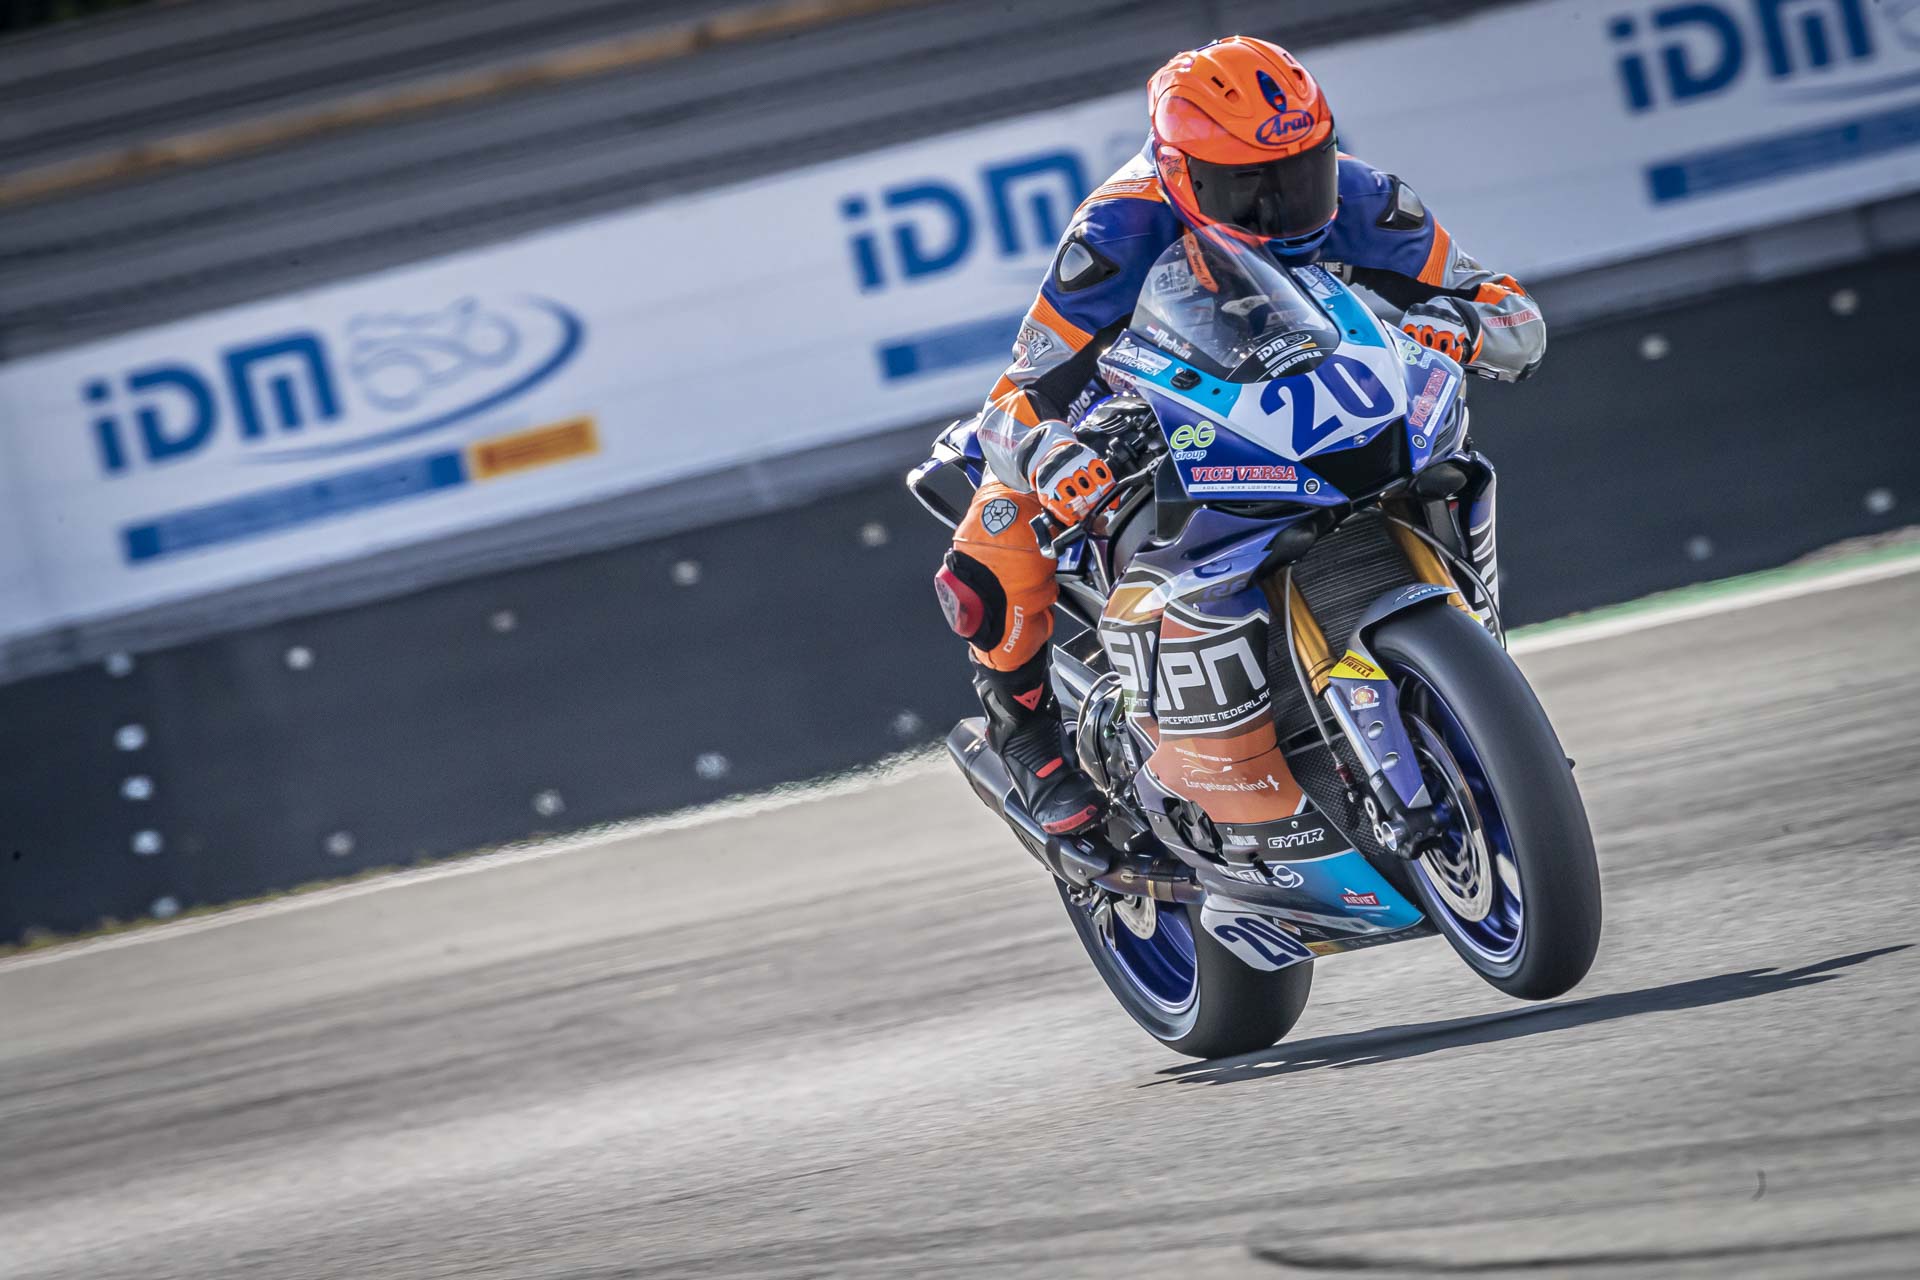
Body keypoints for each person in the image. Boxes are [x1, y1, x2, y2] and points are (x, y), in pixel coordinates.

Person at [932, 36, 1545, 836]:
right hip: (1137, 409)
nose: (1283, 206)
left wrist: (1464, 325)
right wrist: (1049, 452)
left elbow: (1512, 313)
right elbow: (1016, 395)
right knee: (999, 527)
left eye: (1301, 173)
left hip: (1312, 395)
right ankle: (1026, 736)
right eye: (1247, 187)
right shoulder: (1116, 232)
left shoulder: (1363, 198)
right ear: (1180, 172)